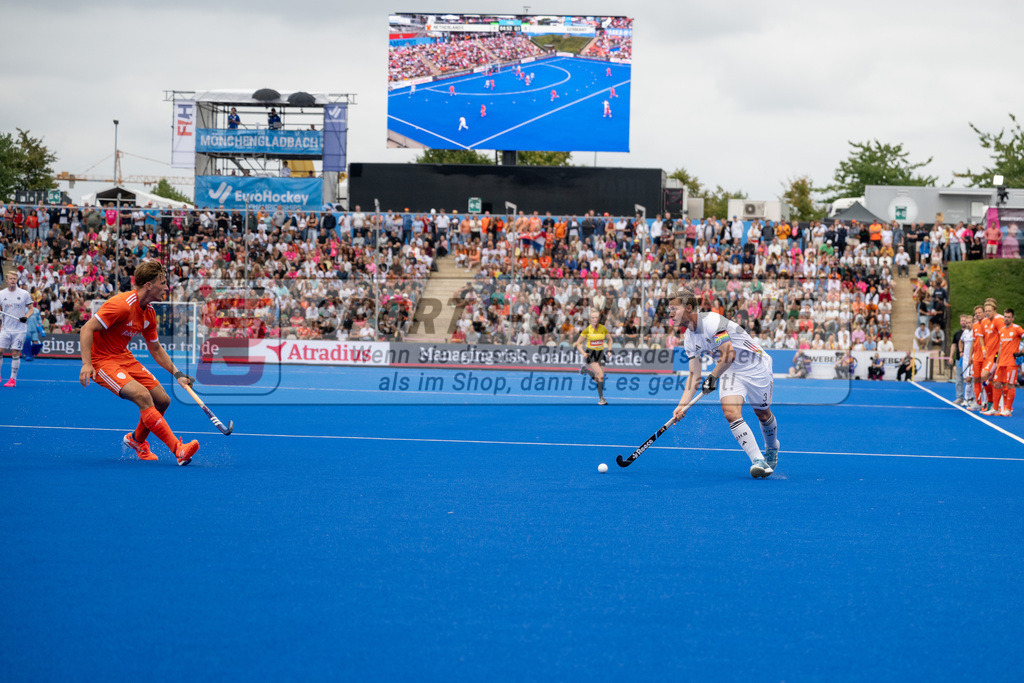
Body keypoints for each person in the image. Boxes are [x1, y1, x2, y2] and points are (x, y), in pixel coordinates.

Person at [79, 260, 200, 465]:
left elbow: (155, 348)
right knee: (143, 396)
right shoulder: (120, 305)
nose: (166, 287)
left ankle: (136, 440)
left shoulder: (150, 313)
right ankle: (178, 450)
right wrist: (86, 364)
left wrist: (177, 374)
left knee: (163, 400)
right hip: (102, 361)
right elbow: (86, 329)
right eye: (163, 283)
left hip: (124, 357)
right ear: (149, 285)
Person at [670, 291, 780, 478]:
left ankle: (772, 447)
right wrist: (682, 406)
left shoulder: (712, 321)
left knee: (762, 413)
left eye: (674, 309)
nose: (670, 313)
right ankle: (758, 460)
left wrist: (712, 377)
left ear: (688, 308)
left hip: (755, 366)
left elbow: (729, 353)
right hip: (730, 371)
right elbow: (694, 376)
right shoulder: (689, 339)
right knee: (730, 413)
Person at [0, 271, 35, 387]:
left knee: (15, 353)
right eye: (10, 278)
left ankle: (12, 379)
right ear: (7, 280)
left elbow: (31, 309)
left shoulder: (24, 293)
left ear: (17, 279)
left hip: (19, 329)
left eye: (14, 278)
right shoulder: (1, 294)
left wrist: (26, 317)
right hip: (5, 328)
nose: (13, 280)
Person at [992, 308, 1023, 416]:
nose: (1006, 319)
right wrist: (997, 360)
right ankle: (995, 408)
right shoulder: (1001, 330)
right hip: (1001, 362)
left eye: (1009, 317)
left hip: (1011, 362)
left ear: (1012, 318)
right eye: (1005, 316)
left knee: (1010, 385)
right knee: (996, 383)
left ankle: (1008, 409)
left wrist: (1021, 352)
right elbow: (1000, 346)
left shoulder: (1017, 328)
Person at [574, 309, 609, 405]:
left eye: (596, 317)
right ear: (590, 320)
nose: (595, 319)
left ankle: (585, 370)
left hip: (601, 353)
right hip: (591, 354)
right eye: (593, 318)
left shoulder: (603, 328)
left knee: (599, 378)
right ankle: (601, 399)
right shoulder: (586, 331)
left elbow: (610, 340)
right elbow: (578, 344)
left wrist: (609, 350)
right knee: (600, 376)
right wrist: (584, 354)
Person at [979, 299, 1006, 415]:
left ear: (995, 310)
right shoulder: (985, 322)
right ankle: (993, 404)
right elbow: (981, 337)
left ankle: (998, 404)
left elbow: (1003, 337)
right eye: (986, 311)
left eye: (989, 310)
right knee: (991, 380)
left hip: (996, 354)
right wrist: (984, 350)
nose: (987, 313)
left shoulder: (999, 320)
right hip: (988, 355)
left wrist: (999, 354)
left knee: (985, 375)